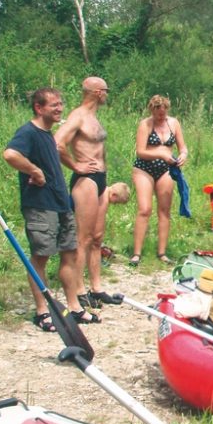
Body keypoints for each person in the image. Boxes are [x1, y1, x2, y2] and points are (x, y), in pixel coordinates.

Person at [3, 88, 99, 330]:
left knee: (69, 253)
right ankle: (42, 311)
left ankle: (73, 306)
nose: (59, 108)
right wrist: (33, 170)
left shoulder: (48, 135)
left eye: (60, 104)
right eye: (54, 105)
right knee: (41, 257)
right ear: (39, 107)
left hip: (61, 203)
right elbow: (10, 154)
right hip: (40, 206)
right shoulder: (28, 132)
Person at [54, 77, 121, 310]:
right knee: (82, 238)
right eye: (105, 91)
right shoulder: (78, 116)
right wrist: (76, 166)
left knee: (97, 237)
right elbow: (58, 143)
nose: (107, 95)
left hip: (101, 179)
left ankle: (97, 287)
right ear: (96, 92)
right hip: (86, 181)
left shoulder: (94, 117)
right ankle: (79, 289)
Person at [130, 95, 188, 266]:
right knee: (145, 209)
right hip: (144, 168)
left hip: (166, 169)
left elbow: (182, 146)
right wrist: (161, 153)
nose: (160, 117)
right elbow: (140, 151)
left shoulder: (174, 123)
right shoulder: (145, 124)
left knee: (164, 210)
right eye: (157, 114)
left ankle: (162, 252)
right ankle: (136, 253)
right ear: (152, 111)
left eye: (163, 114)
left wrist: (183, 154)